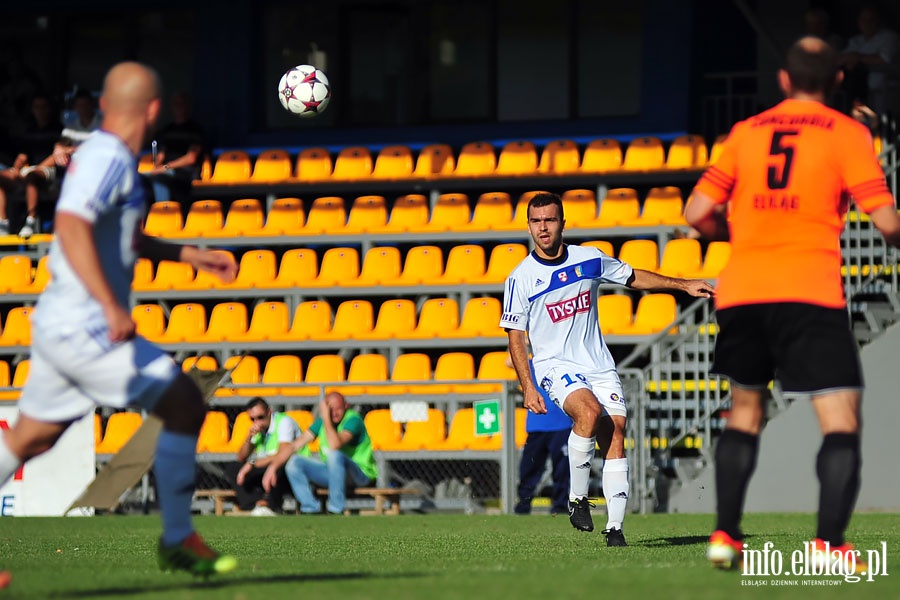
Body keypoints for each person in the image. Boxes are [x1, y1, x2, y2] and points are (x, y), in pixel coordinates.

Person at [0, 61, 239, 578]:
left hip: (60, 322)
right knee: (183, 402)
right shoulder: (110, 158)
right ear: (154, 110)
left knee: (28, 440)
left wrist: (188, 256)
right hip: (87, 325)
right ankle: (177, 537)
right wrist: (111, 305)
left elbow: (119, 235)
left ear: (106, 106)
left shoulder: (104, 157)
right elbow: (69, 223)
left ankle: (178, 538)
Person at [684, 36, 900, 573]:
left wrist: (730, 229)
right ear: (836, 81)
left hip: (742, 290)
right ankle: (827, 544)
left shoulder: (745, 132)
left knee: (745, 413)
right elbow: (888, 223)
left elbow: (696, 211)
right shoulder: (849, 133)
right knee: (841, 420)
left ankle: (725, 536)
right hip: (809, 290)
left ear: (783, 79)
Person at [500, 192, 714, 547]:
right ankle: (577, 498)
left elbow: (632, 277)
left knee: (615, 430)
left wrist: (683, 284)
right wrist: (528, 386)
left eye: (550, 220)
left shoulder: (589, 259)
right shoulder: (520, 278)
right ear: (528, 226)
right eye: (536, 221)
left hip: (598, 363)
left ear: (562, 223)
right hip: (555, 365)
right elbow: (516, 337)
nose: (543, 228)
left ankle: (615, 529)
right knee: (588, 411)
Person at [262, 392, 378, 515]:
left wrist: (326, 418)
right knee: (294, 462)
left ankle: (335, 509)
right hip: (334, 474)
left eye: (337, 409)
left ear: (346, 406)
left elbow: (335, 445)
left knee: (335, 455)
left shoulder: (353, 420)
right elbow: (294, 445)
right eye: (330, 409)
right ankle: (311, 508)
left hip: (360, 474)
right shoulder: (322, 422)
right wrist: (273, 467)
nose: (334, 413)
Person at [226, 397, 301, 516]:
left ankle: (270, 504)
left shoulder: (284, 422)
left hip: (290, 469)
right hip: (265, 466)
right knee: (233, 467)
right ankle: (253, 504)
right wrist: (249, 438)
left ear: (269, 412)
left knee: (277, 467)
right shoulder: (258, 429)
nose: (257, 422)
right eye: (252, 419)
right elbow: (241, 457)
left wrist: (252, 464)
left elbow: (282, 454)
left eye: (260, 417)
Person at [144, 91, 206, 210]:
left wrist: (166, 167)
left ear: (187, 105)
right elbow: (162, 154)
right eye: (176, 104)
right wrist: (157, 166)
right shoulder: (168, 130)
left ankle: (164, 214)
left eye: (181, 104)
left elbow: (191, 158)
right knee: (141, 179)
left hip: (184, 172)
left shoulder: (194, 130)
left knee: (161, 178)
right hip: (166, 170)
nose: (178, 107)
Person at [838, 4, 900, 116]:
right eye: (863, 19)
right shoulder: (856, 40)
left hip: (885, 92)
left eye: (870, 20)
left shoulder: (889, 37)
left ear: (878, 21)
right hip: (860, 94)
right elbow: (841, 59)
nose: (866, 23)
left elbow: (884, 59)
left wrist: (858, 58)